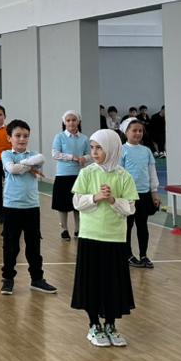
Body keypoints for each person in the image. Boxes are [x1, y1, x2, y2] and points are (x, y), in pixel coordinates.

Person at [70, 129, 137, 348]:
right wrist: (96, 197)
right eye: (92, 148)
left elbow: (130, 208)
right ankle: (93, 325)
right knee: (92, 283)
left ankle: (110, 325)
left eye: (99, 148)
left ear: (112, 148)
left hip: (115, 239)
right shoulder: (87, 173)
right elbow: (77, 203)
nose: (95, 152)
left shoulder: (124, 176)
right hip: (90, 236)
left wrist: (113, 200)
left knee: (112, 284)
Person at [0, 120, 56, 295]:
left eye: (25, 136)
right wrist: (28, 167)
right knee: (11, 246)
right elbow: (12, 169)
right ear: (9, 138)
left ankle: (37, 279)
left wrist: (22, 166)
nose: (22, 139)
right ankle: (8, 279)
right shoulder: (6, 154)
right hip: (12, 206)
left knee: (33, 245)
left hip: (32, 206)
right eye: (17, 135)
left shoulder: (35, 155)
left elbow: (41, 158)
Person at [120, 119, 161, 268]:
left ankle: (143, 255)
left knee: (142, 226)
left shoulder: (146, 151)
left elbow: (152, 172)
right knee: (127, 226)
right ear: (126, 132)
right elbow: (119, 173)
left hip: (144, 194)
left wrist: (154, 192)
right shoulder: (121, 150)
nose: (138, 133)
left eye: (140, 130)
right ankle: (127, 255)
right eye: (134, 130)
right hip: (128, 195)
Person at [51, 111, 89, 242]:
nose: (71, 122)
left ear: (78, 122)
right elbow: (55, 154)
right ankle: (64, 229)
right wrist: (72, 157)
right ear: (64, 122)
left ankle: (78, 229)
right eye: (68, 120)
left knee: (78, 205)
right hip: (63, 175)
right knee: (63, 205)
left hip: (79, 175)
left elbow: (89, 154)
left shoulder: (84, 138)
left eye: (74, 120)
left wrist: (84, 158)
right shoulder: (59, 137)